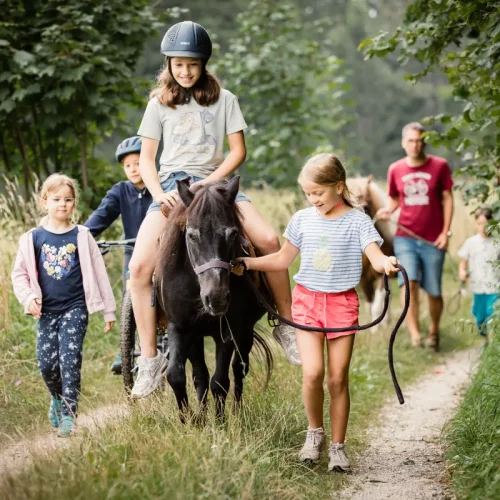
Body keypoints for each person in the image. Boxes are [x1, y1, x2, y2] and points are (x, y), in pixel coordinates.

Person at [129, 20, 299, 400]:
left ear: (203, 63)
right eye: (178, 65)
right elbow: (146, 160)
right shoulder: (158, 105)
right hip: (175, 191)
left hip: (219, 187)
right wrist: (159, 194)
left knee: (270, 239)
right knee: (139, 267)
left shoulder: (226, 100)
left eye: (192, 64)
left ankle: (285, 322)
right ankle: (150, 358)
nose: (185, 71)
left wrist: (211, 183)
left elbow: (238, 151)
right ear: (169, 64)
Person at [237, 153, 399, 472]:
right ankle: (315, 434)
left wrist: (386, 264)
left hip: (342, 305)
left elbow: (375, 255)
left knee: (338, 379)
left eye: (318, 193)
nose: (313, 200)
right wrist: (249, 263)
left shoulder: (358, 221)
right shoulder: (302, 219)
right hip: (307, 304)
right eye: (308, 193)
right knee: (312, 373)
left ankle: (338, 448)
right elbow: (283, 259)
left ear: (339, 187)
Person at [11, 174, 116, 437]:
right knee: (46, 364)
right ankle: (56, 398)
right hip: (46, 311)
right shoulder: (32, 238)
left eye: (68, 200)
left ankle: (70, 414)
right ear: (44, 201)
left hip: (75, 308)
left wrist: (108, 310)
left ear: (74, 204)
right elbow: (19, 275)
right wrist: (28, 298)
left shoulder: (82, 235)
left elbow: (99, 273)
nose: (63, 204)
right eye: (56, 199)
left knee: (70, 361)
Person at [376, 122, 453, 351]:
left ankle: (434, 332)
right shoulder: (395, 169)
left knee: (434, 290)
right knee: (408, 283)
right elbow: (394, 199)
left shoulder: (439, 166)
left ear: (425, 141)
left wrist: (445, 232)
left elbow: (448, 198)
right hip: (405, 237)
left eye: (419, 140)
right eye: (411, 140)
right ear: (403, 143)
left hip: (433, 239)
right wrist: (387, 211)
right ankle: (415, 334)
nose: (415, 145)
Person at [84, 136, 152, 374]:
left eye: (139, 162)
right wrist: (81, 238)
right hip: (133, 251)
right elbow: (99, 218)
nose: (133, 169)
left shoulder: (161, 186)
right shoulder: (120, 191)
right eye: (128, 165)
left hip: (161, 250)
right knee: (130, 295)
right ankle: (126, 346)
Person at [458, 207, 499, 339]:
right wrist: (462, 272)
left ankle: (493, 344)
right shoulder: (471, 243)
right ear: (476, 224)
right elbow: (463, 262)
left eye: (485, 223)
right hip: (478, 287)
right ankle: (485, 341)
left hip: (494, 287)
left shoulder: (497, 243)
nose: (482, 227)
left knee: (492, 314)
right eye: (479, 224)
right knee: (480, 316)